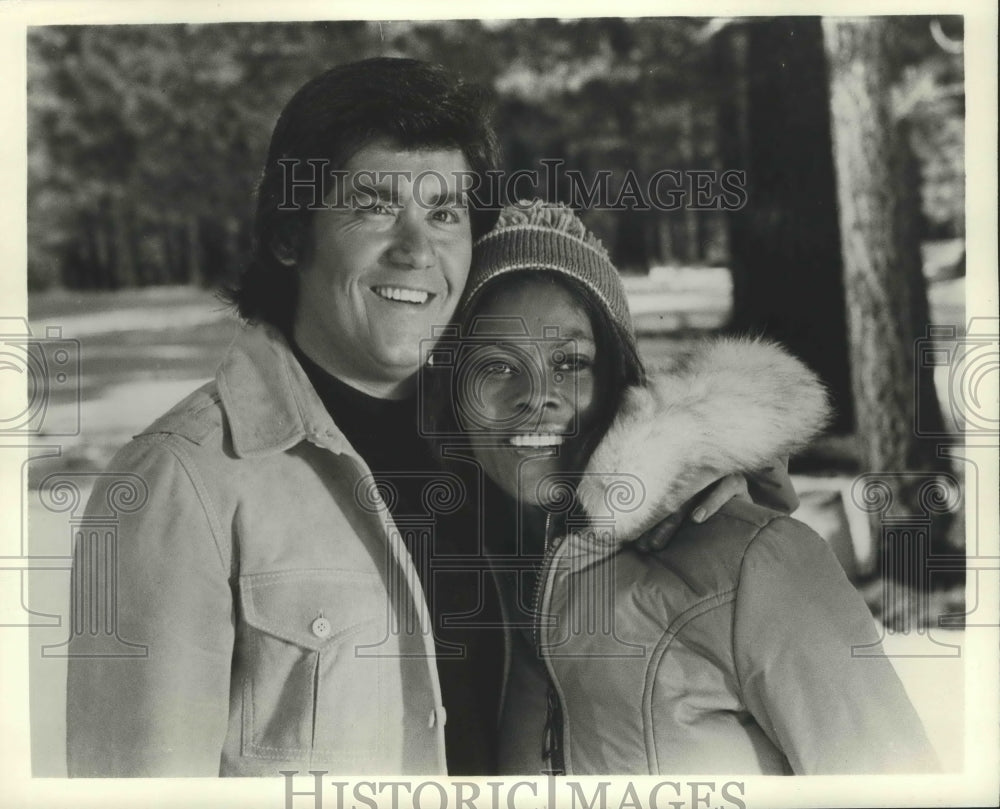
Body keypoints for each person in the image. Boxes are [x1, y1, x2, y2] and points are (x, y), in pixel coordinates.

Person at [64, 58, 755, 777]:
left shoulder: (498, 444)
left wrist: (703, 474)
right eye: (374, 206)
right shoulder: (180, 484)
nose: (417, 250)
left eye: (445, 213)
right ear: (290, 234)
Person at [432, 199, 941, 775]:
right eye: (496, 366)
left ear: (621, 380)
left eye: (570, 362)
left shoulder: (757, 562)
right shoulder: (455, 584)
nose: (534, 395)